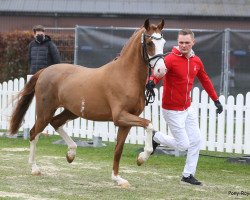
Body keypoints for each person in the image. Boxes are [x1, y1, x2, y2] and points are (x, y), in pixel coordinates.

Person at [146, 29, 223, 186]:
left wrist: (215, 99)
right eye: (181, 42)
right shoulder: (170, 59)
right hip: (171, 110)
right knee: (183, 145)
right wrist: (152, 81)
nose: (183, 45)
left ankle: (187, 175)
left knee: (196, 141)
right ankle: (156, 137)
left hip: (188, 108)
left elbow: (206, 80)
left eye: (187, 42)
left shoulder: (196, 61)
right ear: (177, 42)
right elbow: (158, 72)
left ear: (193, 43)